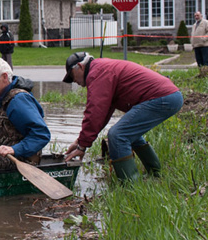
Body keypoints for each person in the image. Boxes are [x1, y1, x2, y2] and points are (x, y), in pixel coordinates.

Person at [62, 52, 183, 182]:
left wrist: (82, 146)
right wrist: (80, 141)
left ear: (80, 66)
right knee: (130, 135)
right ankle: (156, 175)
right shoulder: (101, 69)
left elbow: (94, 111)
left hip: (162, 98)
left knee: (118, 135)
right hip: (169, 96)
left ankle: (130, 186)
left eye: (72, 75)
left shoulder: (97, 73)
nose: (74, 81)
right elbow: (102, 114)